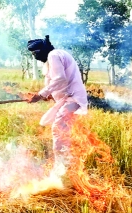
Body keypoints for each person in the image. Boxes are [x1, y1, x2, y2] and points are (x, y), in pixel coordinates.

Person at [27, 35, 88, 166]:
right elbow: (58, 81)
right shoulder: (53, 58)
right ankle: (67, 163)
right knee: (62, 129)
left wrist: (41, 94)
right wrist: (47, 95)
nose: (34, 56)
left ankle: (61, 167)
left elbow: (60, 79)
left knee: (58, 127)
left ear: (42, 49)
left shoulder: (53, 55)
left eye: (35, 53)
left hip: (73, 97)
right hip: (67, 98)